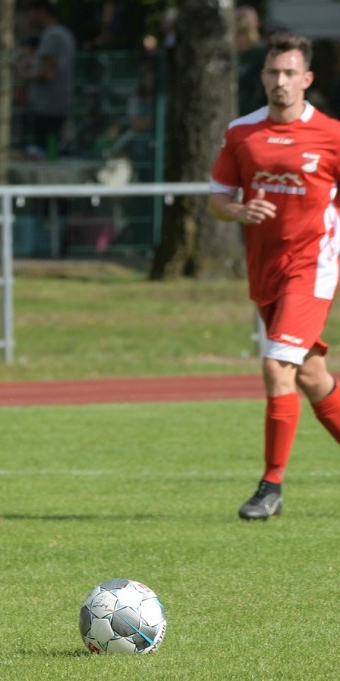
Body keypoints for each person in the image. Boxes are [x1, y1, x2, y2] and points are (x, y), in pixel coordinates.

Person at [208, 31, 340, 521]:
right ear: (262, 76)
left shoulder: (331, 134)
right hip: (266, 269)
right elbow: (217, 200)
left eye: (290, 73)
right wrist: (239, 211)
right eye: (273, 72)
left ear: (306, 79)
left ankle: (270, 487)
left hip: (312, 266)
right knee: (311, 374)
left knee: (275, 367)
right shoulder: (242, 132)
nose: (280, 81)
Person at [18, 0, 76, 158]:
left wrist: (23, 73)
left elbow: (49, 73)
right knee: (51, 152)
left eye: (30, 12)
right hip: (57, 103)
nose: (29, 17)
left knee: (45, 154)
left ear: (41, 11)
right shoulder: (62, 33)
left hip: (48, 106)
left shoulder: (52, 35)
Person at [236, 5, 268, 116]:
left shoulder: (262, 54)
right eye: (237, 31)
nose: (240, 36)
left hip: (256, 112)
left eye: (244, 30)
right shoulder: (233, 55)